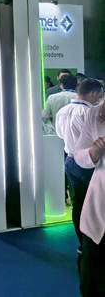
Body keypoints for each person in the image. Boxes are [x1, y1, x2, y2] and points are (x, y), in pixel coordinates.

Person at [56, 79, 104, 255]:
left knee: (78, 203)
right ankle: (92, 244)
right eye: (99, 95)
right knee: (93, 204)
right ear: (93, 93)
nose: (99, 98)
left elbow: (60, 134)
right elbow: (93, 140)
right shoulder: (90, 112)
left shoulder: (62, 111)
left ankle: (82, 244)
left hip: (70, 160)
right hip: (89, 162)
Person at [73, 99, 105, 295]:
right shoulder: (96, 113)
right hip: (99, 209)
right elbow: (79, 155)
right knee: (91, 281)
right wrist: (94, 151)